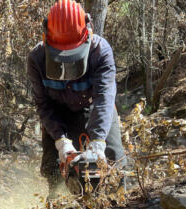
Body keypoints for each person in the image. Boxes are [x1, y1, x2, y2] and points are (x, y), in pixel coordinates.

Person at [27, 0, 126, 197]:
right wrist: (61, 141)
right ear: (47, 40)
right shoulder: (37, 59)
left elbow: (104, 98)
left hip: (94, 108)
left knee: (114, 160)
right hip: (58, 113)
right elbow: (43, 104)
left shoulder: (100, 52)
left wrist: (98, 141)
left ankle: (118, 206)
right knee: (52, 167)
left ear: (87, 35)